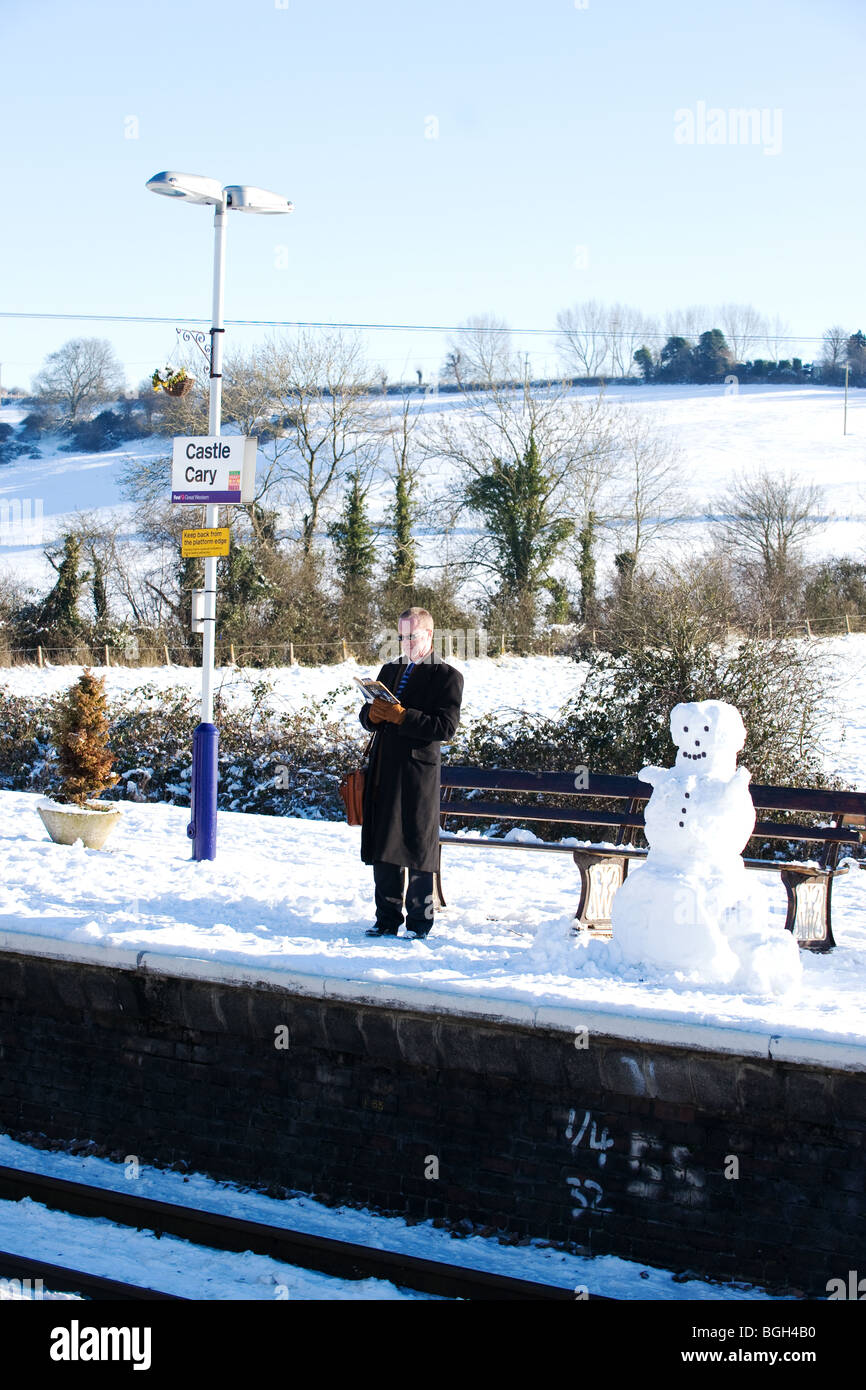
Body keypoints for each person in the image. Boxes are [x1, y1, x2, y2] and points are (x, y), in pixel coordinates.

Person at [359, 608, 464, 939]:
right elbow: (368, 717)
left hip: (419, 773)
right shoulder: (390, 670)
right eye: (401, 636)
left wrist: (404, 716)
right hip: (384, 768)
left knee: (419, 847)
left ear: (429, 636)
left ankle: (420, 922)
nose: (405, 643)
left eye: (412, 636)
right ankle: (386, 918)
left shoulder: (447, 676)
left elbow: (444, 727)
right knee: (384, 842)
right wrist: (372, 715)